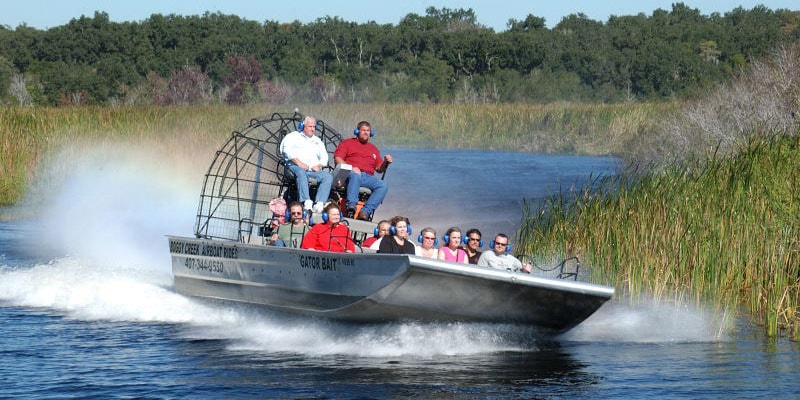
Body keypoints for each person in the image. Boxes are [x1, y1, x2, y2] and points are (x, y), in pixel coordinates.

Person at [333, 120, 392, 220]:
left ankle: (365, 212)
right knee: (356, 175)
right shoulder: (347, 143)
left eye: (368, 130)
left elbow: (379, 169)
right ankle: (351, 206)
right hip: (349, 174)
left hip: (367, 177)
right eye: (363, 130)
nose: (366, 132)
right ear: (357, 131)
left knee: (383, 185)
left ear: (371, 133)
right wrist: (351, 168)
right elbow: (338, 159)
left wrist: (386, 162)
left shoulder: (373, 149)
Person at [280, 116, 332, 213]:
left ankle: (319, 203)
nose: (313, 129)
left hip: (311, 170)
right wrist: (299, 163)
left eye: (314, 127)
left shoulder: (317, 141)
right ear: (302, 126)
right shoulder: (293, 136)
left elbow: (324, 157)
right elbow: (286, 150)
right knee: (301, 172)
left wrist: (319, 166)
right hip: (294, 167)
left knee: (327, 176)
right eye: (310, 126)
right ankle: (306, 202)